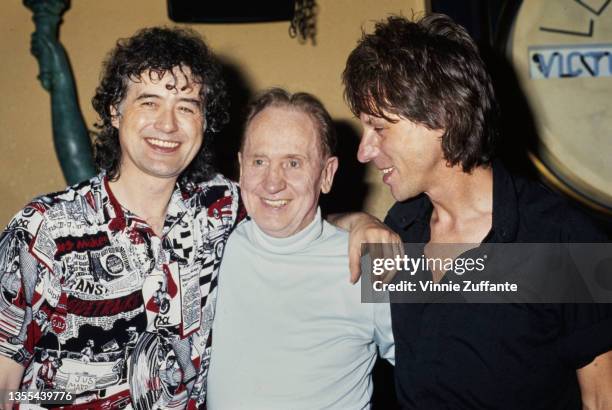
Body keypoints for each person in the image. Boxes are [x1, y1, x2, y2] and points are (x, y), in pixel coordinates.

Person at [0, 26, 395, 410]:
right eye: (149, 102)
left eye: (185, 106)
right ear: (114, 111)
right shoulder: (40, 230)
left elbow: (450, 298)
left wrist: (364, 224)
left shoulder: (218, 210)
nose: (168, 125)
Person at [342, 13, 612, 409]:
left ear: (443, 117)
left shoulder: (566, 240)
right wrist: (356, 220)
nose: (363, 151)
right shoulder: (401, 228)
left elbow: (602, 398)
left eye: (379, 128)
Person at [207, 89, 394, 409]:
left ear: (326, 174)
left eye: (293, 163)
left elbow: (437, 364)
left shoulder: (368, 260)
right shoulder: (213, 246)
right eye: (259, 161)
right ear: (240, 167)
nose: (272, 183)